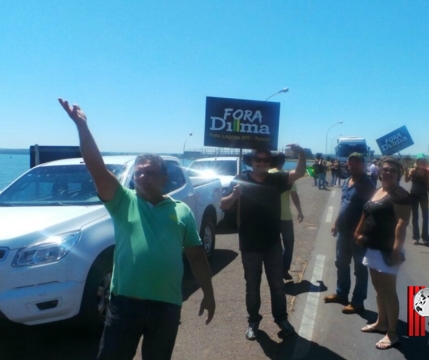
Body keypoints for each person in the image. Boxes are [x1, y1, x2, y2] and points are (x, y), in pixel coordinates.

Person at [58, 98, 215, 360]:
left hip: (167, 307)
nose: (142, 176)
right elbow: (96, 169)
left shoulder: (181, 211)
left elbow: (197, 257)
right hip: (125, 305)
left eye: (150, 172)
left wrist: (209, 294)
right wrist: (82, 127)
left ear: (164, 178)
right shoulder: (123, 201)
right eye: (139, 173)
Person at [221, 144, 306, 341]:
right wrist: (234, 195)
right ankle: (253, 322)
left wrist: (301, 153)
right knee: (252, 286)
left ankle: (281, 320)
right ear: (251, 161)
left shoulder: (277, 179)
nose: (261, 163)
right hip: (249, 244)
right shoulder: (240, 179)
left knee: (277, 285)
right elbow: (223, 205)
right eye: (257, 160)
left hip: (273, 244)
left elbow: (299, 173)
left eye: (265, 160)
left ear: (270, 163)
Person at [355, 156, 410, 350]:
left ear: (398, 174)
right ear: (379, 171)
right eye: (385, 169)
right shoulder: (379, 190)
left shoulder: (400, 194)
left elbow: (402, 223)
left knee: (388, 291)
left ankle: (392, 333)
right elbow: (367, 212)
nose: (387, 172)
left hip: (387, 250)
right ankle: (381, 323)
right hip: (372, 247)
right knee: (379, 289)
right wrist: (359, 232)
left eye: (392, 170)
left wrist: (396, 249)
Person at [325, 152, 376, 314]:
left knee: (359, 268)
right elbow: (343, 204)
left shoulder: (367, 184)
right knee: (341, 263)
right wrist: (335, 222)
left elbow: (368, 210)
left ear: (363, 165)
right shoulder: (347, 181)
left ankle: (358, 301)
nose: (353, 165)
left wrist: (359, 230)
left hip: (358, 234)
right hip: (343, 231)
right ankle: (341, 294)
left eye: (357, 163)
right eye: (350, 162)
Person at [268, 153, 304, 281]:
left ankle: (274, 269)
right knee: (289, 244)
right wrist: (300, 211)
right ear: (282, 162)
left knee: (274, 244)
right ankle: (283, 270)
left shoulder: (265, 176)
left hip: (270, 218)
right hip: (285, 217)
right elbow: (294, 195)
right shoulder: (286, 176)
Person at [404, 156, 429, 244]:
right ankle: (415, 237)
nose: (423, 163)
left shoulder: (427, 171)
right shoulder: (413, 171)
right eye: (421, 161)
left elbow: (428, 185)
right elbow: (406, 180)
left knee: (426, 216)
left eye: (424, 161)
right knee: (415, 216)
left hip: (424, 195)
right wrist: (406, 171)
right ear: (417, 162)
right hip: (414, 195)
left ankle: (425, 237)